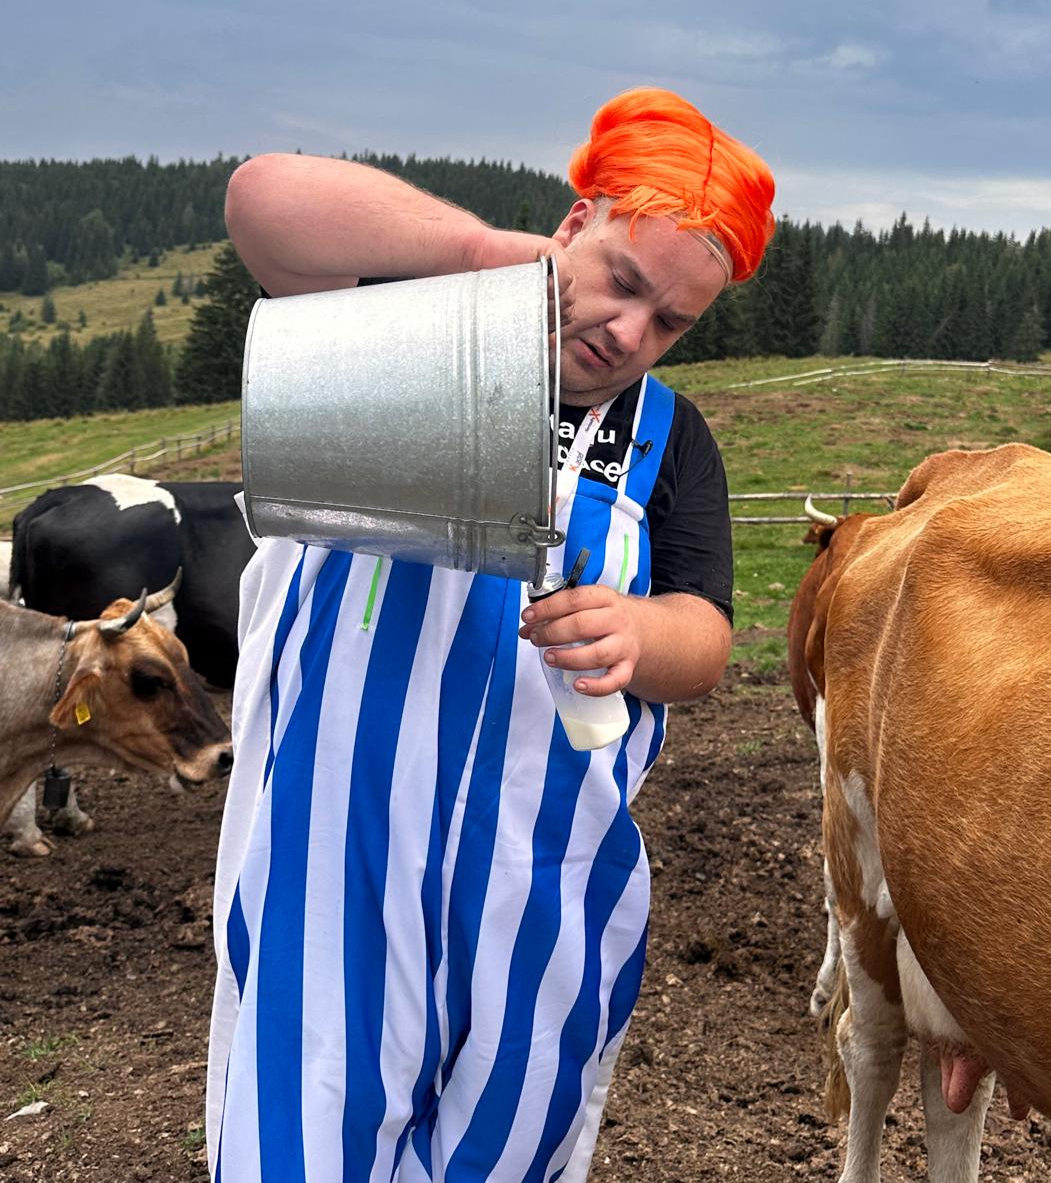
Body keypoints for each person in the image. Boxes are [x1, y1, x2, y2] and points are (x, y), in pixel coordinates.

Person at [206, 87, 776, 1183]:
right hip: (337, 863)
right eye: (622, 281)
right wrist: (478, 255)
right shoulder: (415, 326)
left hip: (543, 881)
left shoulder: (669, 438)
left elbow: (705, 634)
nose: (628, 332)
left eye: (671, 322)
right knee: (306, 1125)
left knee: (503, 1144)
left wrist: (638, 632)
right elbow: (262, 203)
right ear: (573, 223)